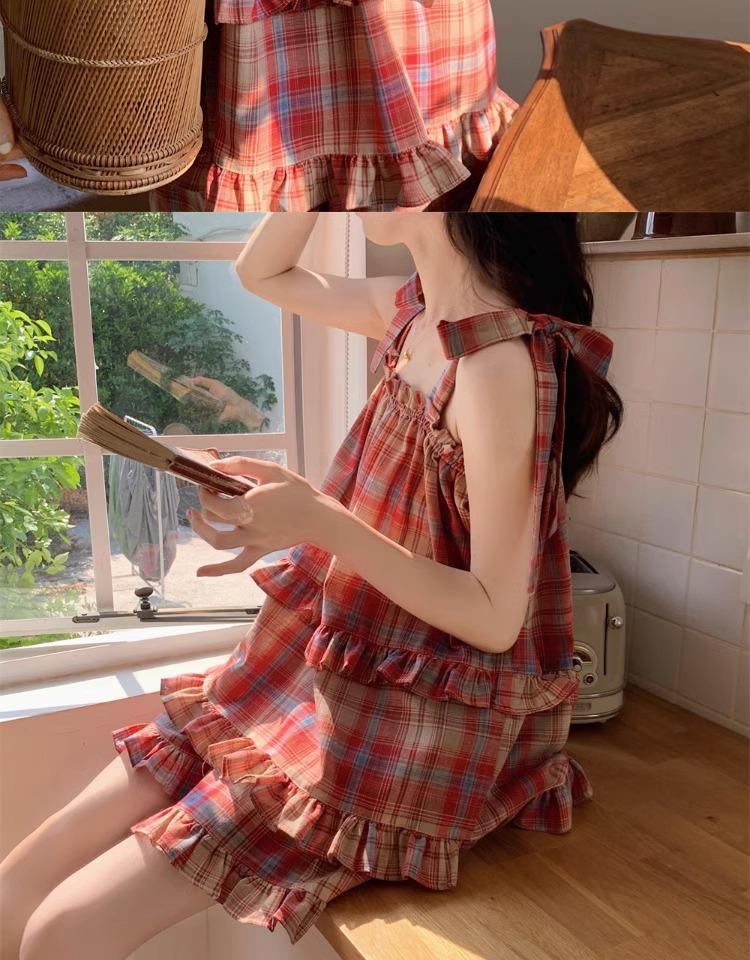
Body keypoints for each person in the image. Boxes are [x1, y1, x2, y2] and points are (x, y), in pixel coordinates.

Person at [0, 211, 623, 959]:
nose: (352, 180)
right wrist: (316, 182)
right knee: (16, 883)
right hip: (313, 677)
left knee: (59, 933)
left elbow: (494, 618)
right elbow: (260, 272)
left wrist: (319, 521)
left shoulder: (498, 364)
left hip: (407, 723)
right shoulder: (412, 311)